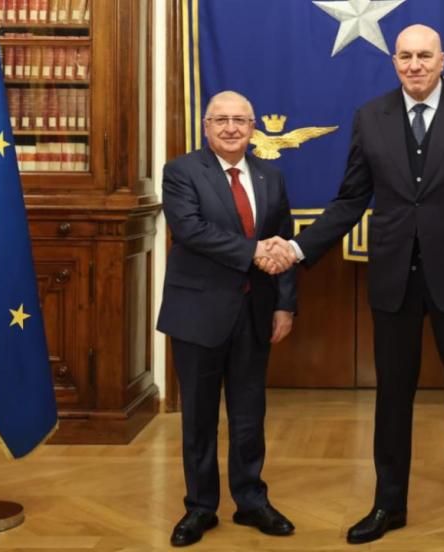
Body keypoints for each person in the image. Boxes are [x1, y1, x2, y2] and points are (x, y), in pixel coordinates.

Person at [266, 24, 444, 552]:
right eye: (405, 56)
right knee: (392, 397)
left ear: (442, 60)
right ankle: (388, 505)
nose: (415, 65)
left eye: (424, 55)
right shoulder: (370, 116)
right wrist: (298, 249)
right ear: (394, 62)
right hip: (394, 278)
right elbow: (350, 199)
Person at [157, 91, 298, 547]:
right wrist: (253, 251)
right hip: (197, 313)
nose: (231, 128)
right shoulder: (181, 171)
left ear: (253, 127)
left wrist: (284, 304)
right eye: (221, 120)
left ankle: (251, 500)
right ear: (206, 126)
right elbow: (190, 230)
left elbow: (283, 241)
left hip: (254, 313)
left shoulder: (270, 175)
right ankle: (200, 507)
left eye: (240, 120)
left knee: (249, 415)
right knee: (199, 417)